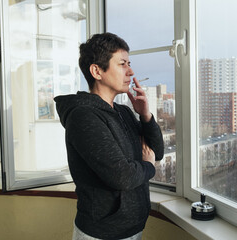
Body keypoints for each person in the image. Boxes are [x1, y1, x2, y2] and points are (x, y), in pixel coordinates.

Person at [54, 32, 164, 240]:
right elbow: (122, 176)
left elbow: (156, 152)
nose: (131, 72)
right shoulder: (83, 117)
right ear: (97, 71)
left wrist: (146, 115)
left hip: (133, 228)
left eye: (129, 63)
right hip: (102, 234)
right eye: (122, 64)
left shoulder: (123, 112)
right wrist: (148, 166)